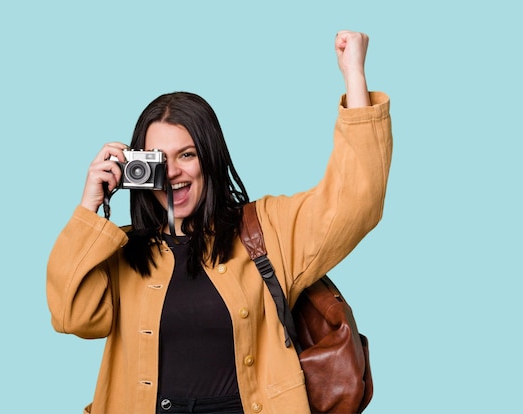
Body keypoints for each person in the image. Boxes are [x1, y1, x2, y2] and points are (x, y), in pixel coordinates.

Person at [47, 30, 392, 414]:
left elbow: (355, 202)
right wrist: (89, 207)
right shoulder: (123, 253)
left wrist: (354, 75)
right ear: (137, 169)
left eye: (188, 155)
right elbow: (70, 315)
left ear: (210, 158)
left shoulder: (266, 231)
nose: (173, 171)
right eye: (159, 159)